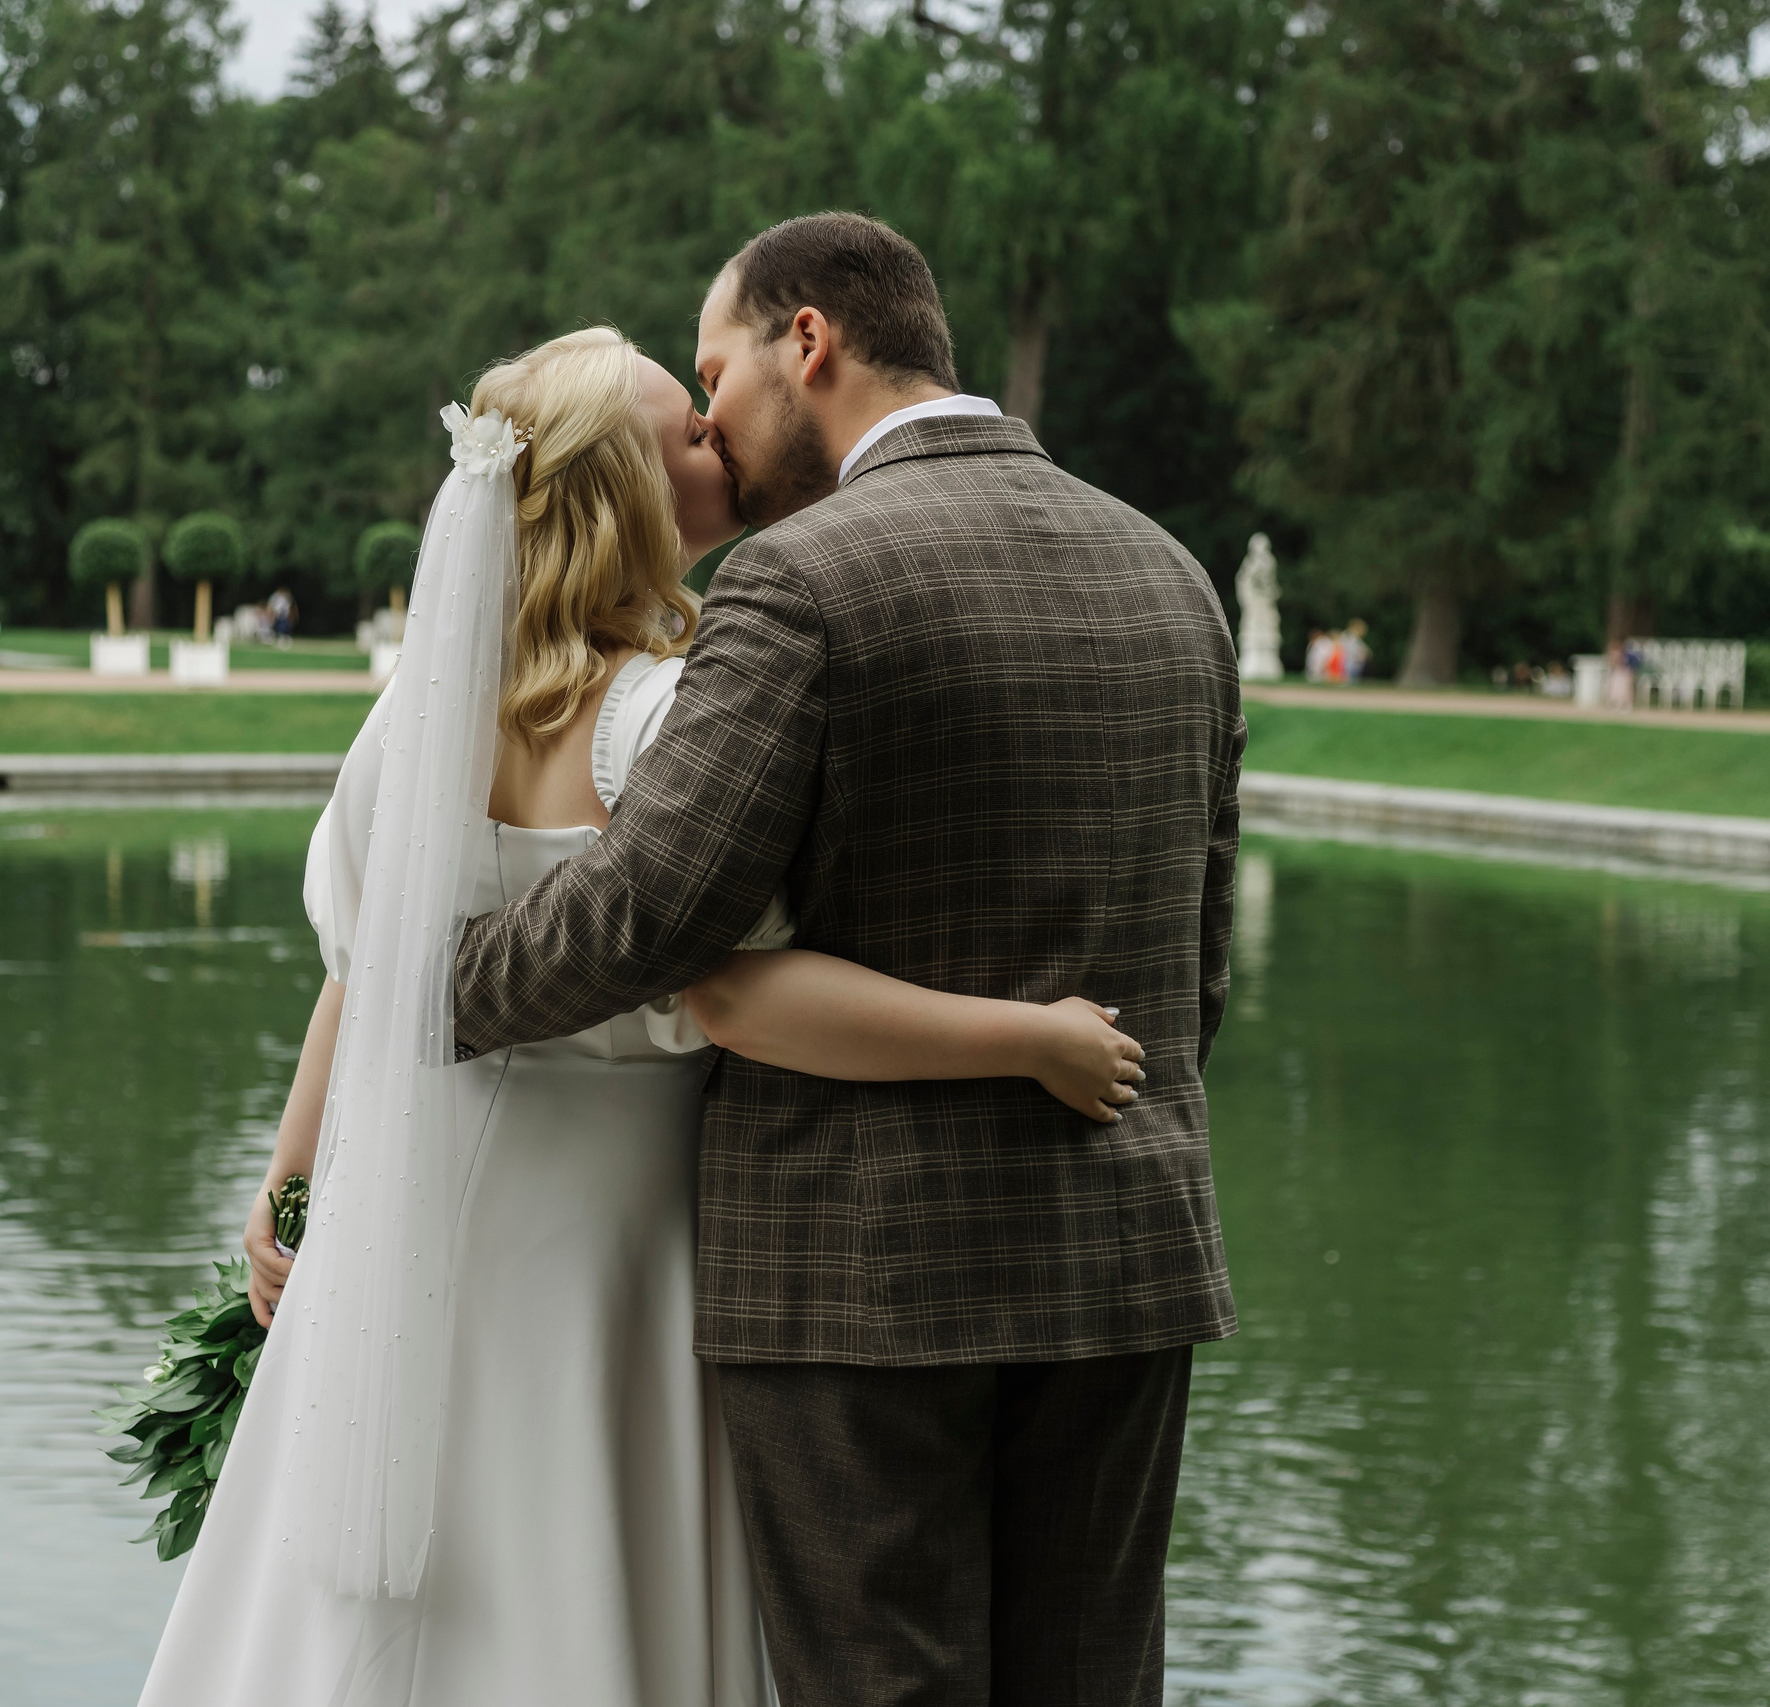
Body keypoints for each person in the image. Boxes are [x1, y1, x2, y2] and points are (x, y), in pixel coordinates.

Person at [139, 325, 1149, 1707]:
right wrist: (1025, 1034)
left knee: (379, 1602)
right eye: (687, 430)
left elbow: (361, 969)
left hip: (407, 1210)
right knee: (582, 1560)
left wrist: (292, 1183)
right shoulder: (660, 717)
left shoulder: (418, 715)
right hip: (611, 1235)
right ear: (631, 493)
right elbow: (740, 996)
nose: (717, 439)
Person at [450, 215, 1243, 1704]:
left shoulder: (799, 580)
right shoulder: (1174, 573)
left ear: (803, 342)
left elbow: (649, 916)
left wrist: (433, 983)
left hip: (856, 1281)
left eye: (715, 371)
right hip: (1124, 1252)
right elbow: (1198, 970)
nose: (710, 424)